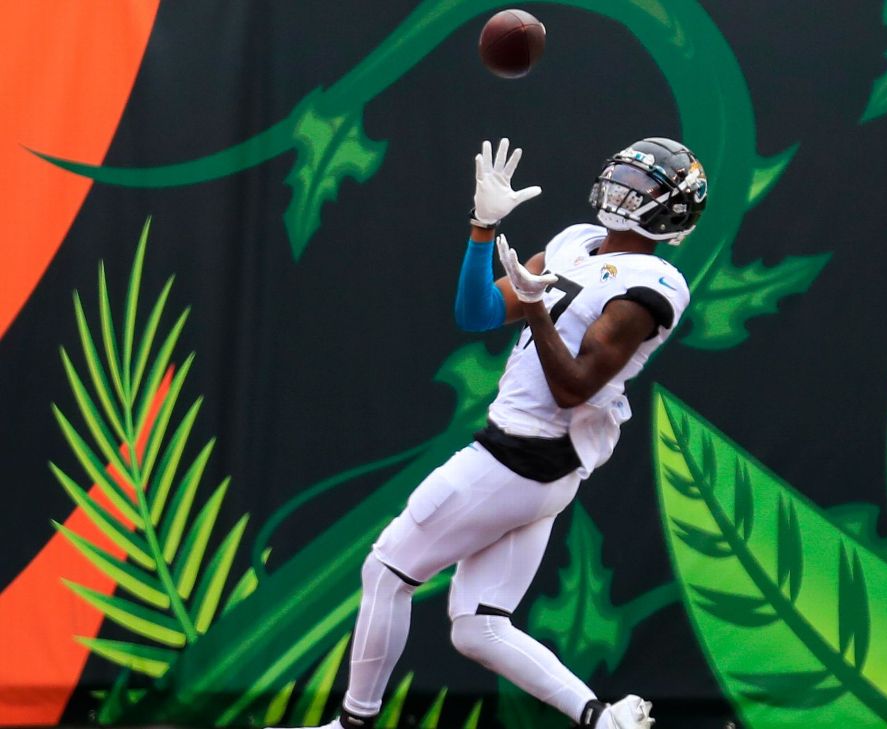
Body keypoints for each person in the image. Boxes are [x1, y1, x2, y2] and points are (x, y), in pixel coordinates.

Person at [287, 136, 707, 729]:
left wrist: (536, 309)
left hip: (522, 456)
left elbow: (574, 387)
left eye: (640, 190)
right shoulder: (576, 242)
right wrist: (481, 229)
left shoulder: (653, 287)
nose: (620, 193)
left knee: (386, 571)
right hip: (542, 466)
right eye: (622, 179)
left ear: (668, 212)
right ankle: (604, 720)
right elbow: (479, 312)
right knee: (479, 625)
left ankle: (353, 724)